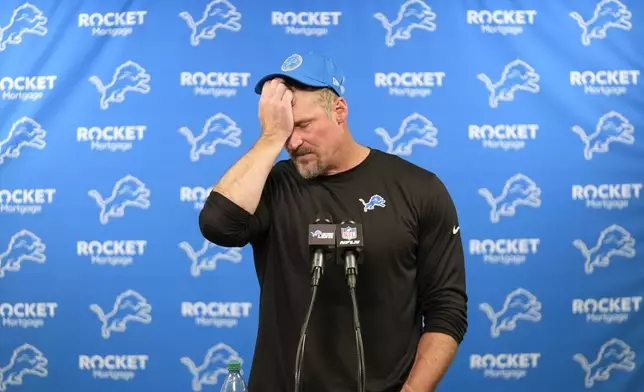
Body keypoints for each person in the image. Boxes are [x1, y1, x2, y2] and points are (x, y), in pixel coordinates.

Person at [199, 52, 468, 392]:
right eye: (283, 130)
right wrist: (269, 138)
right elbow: (217, 225)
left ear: (339, 111)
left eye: (302, 125)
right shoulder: (273, 187)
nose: (292, 143)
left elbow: (447, 310)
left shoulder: (418, 189)